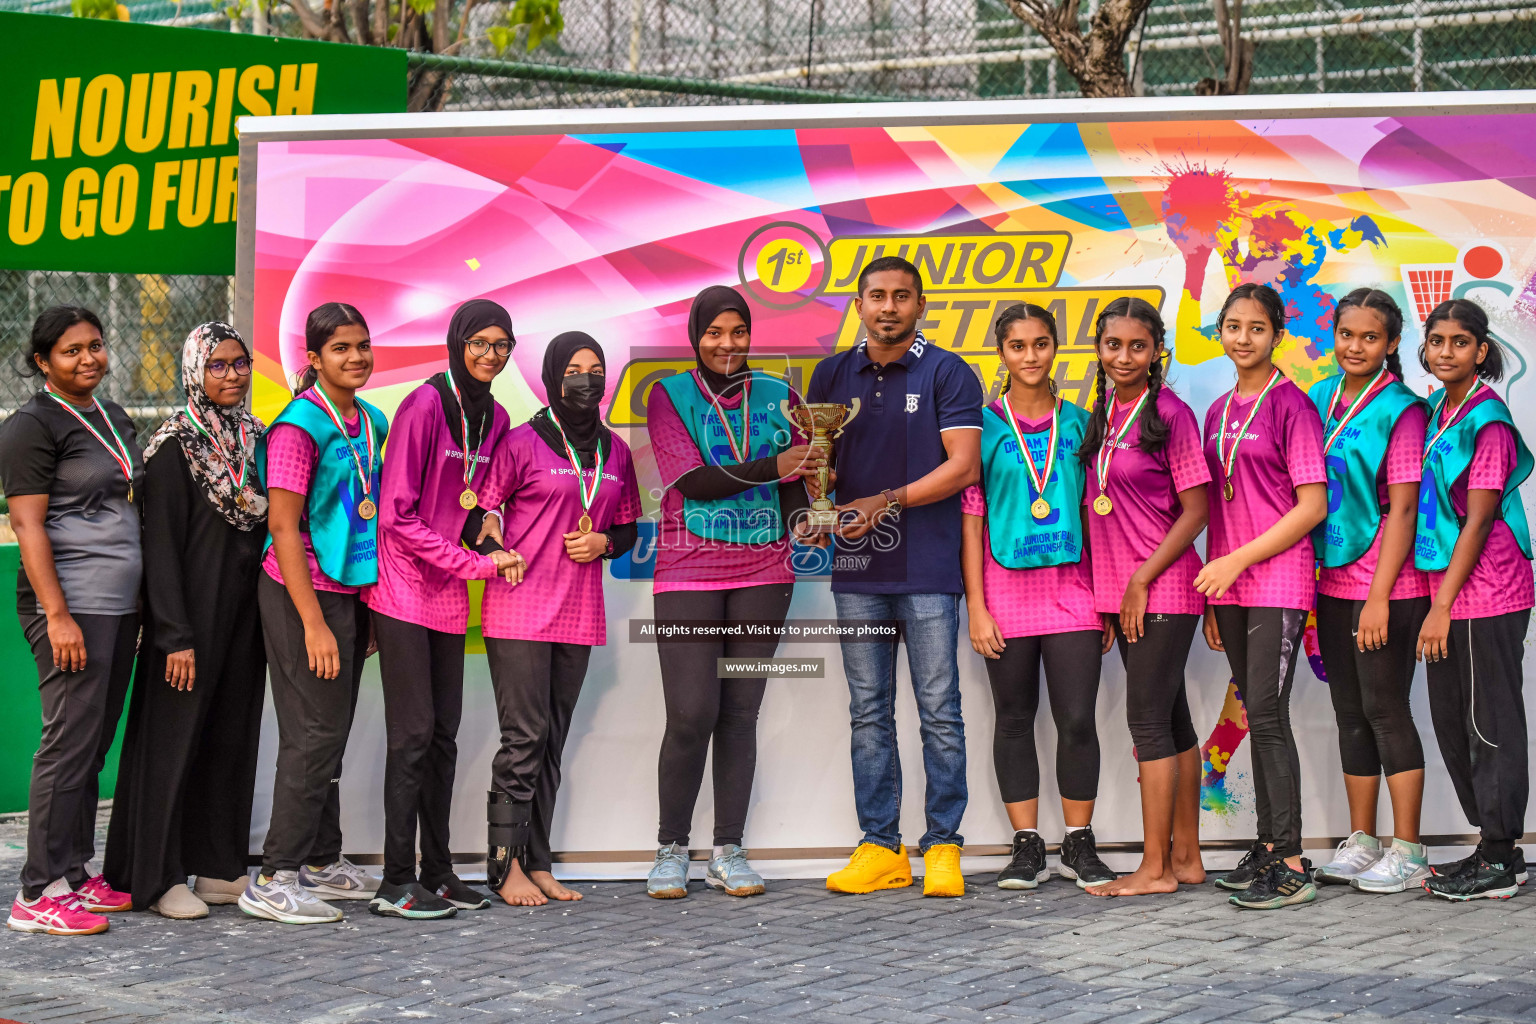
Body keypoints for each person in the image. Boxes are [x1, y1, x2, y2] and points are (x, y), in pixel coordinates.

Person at [809, 256, 983, 899]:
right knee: (868, 714)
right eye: (877, 296)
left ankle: (942, 846)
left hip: (930, 569)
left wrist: (883, 501)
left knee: (940, 712)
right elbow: (823, 470)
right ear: (859, 304)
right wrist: (817, 484)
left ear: (920, 306)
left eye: (901, 297)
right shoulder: (831, 374)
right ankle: (881, 848)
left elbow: (963, 467)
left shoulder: (947, 371)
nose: (888, 307)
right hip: (857, 568)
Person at [642, 286, 820, 900]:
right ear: (696, 335)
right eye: (714, 332)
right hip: (688, 570)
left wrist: (813, 514)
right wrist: (778, 466)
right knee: (691, 713)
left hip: (766, 573)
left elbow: (798, 488)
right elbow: (691, 483)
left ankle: (728, 849)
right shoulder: (668, 395)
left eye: (738, 331)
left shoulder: (782, 396)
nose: (727, 344)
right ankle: (670, 848)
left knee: (740, 715)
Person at [104, 323, 270, 920]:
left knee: (231, 739)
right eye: (217, 365)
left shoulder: (257, 440)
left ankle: (220, 867)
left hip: (245, 620)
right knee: (172, 746)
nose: (231, 375)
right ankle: (156, 875)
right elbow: (161, 550)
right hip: (187, 627)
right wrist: (173, 635)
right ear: (194, 372)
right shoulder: (173, 447)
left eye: (239, 363)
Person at [367, 299, 525, 920]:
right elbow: (399, 514)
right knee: (410, 736)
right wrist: (474, 564)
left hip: (448, 596)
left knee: (443, 737)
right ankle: (395, 881)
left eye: (501, 344)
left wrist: (493, 541)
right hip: (405, 587)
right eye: (479, 342)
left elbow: (473, 508)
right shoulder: (425, 405)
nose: (490, 354)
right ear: (458, 342)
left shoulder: (498, 416)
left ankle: (438, 872)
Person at [478, 333, 641, 906]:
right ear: (551, 375)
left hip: (578, 613)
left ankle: (539, 861)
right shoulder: (520, 441)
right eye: (573, 369)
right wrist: (492, 531)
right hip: (520, 609)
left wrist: (603, 541)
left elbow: (628, 529)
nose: (586, 379)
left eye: (595, 369)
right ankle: (504, 869)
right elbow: (485, 508)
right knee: (523, 739)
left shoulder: (615, 451)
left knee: (551, 743)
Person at [242, 302, 388, 925]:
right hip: (300, 593)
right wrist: (313, 622)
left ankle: (323, 861)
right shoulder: (299, 426)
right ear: (313, 358)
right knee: (314, 734)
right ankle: (273, 876)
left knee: (332, 729)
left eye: (362, 346)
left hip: (351, 591)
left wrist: (366, 609)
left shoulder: (372, 420)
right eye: (340, 349)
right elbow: (281, 524)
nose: (354, 358)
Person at [961, 304, 1112, 892]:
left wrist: (1102, 597)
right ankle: (1026, 846)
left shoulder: (1081, 423)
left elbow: (1094, 515)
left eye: (1041, 343)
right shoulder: (981, 426)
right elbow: (971, 524)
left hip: (1073, 593)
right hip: (1003, 595)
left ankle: (1078, 842)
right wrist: (976, 606)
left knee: (1077, 720)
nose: (1030, 356)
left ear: (1056, 349)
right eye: (1018, 345)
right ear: (1002, 352)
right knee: (1014, 719)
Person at [2, 306, 141, 935]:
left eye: (96, 345)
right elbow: (27, 524)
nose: (88, 358)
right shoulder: (31, 425)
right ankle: (37, 892)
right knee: (66, 744)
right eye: (70, 351)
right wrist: (57, 615)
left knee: (92, 742)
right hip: (70, 606)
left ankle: (74, 874)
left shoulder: (111, 416)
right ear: (42, 362)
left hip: (118, 606)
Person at [1197, 283, 1327, 911]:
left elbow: (1312, 507)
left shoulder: (1292, 407)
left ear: (1277, 334)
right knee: (1255, 713)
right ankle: (1267, 848)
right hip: (1231, 588)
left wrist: (1236, 564)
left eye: (1256, 327)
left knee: (1268, 718)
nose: (1243, 337)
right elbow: (1217, 507)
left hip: (1276, 580)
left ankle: (1293, 858)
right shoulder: (1218, 410)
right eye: (1232, 326)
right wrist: (1214, 586)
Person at [1076, 297, 1211, 898]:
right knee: (1173, 721)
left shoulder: (1173, 414)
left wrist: (1138, 580)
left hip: (1163, 590)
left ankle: (1153, 869)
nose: (1123, 356)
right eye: (1113, 345)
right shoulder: (1103, 411)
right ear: (1099, 349)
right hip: (1125, 594)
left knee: (1148, 724)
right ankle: (1186, 858)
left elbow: (1197, 511)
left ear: (1158, 350)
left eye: (1137, 345)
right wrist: (1111, 594)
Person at [1306, 290, 1433, 893]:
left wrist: (1380, 596)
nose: (1356, 347)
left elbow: (1405, 508)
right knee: (1350, 714)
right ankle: (1362, 841)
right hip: (1331, 578)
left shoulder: (1403, 409)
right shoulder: (1320, 399)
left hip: (1387, 583)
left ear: (1390, 344)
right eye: (1347, 335)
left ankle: (1407, 849)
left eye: (1370, 338)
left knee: (1386, 711)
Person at [1415, 299, 1534, 901]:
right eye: (1437, 341)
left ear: (1481, 352)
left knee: (1490, 724)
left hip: (1488, 592)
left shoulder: (1486, 419)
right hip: (1450, 592)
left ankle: (1503, 858)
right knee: (1452, 721)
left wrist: (1440, 607)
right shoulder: (1438, 409)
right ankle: (1489, 844)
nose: (1446, 352)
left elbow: (1480, 520)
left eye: (1460, 343)